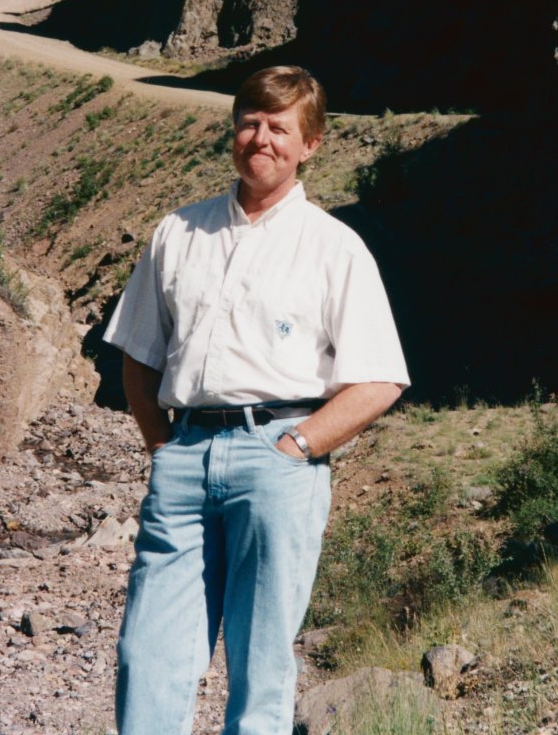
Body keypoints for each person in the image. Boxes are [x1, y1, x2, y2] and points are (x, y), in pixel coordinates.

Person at [103, 65, 410, 735]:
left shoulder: (334, 248)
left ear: (310, 144)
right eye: (249, 122)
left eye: (278, 128)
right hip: (183, 459)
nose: (259, 139)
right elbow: (136, 354)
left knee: (260, 667)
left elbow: (379, 379)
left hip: (276, 462)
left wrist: (297, 446)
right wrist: (161, 447)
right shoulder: (177, 233)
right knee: (147, 654)